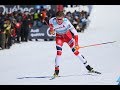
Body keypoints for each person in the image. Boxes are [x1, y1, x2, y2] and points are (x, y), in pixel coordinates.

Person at [49, 11, 101, 77]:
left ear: (63, 18)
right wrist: (51, 31)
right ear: (55, 18)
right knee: (59, 52)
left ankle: (88, 67)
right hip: (59, 37)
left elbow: (75, 33)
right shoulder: (52, 20)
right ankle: (56, 71)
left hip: (67, 36)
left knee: (75, 51)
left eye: (60, 19)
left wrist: (76, 44)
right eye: (57, 19)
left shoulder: (66, 22)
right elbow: (51, 29)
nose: (59, 21)